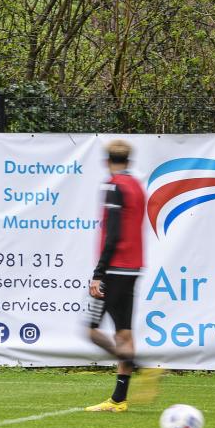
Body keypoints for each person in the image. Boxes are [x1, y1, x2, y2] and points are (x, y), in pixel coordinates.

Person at [84, 139, 162, 412]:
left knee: (92, 331)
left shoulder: (113, 186)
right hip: (132, 267)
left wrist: (98, 272)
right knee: (124, 334)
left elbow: (114, 233)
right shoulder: (137, 186)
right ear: (128, 160)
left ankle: (142, 368)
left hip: (114, 268)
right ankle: (119, 400)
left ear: (107, 161)